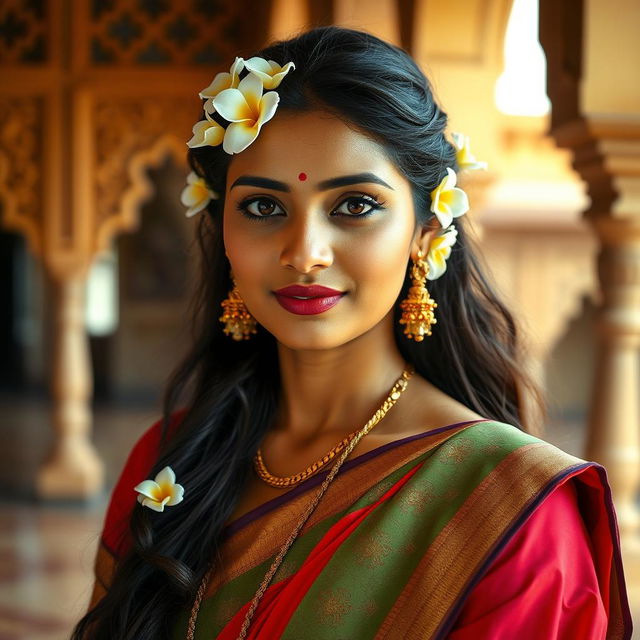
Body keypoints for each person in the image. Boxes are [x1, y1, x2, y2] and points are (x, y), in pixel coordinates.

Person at [73, 25, 632, 640]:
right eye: (263, 206)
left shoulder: (508, 512)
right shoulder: (170, 461)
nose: (306, 253)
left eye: (355, 205)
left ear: (425, 231)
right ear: (223, 231)